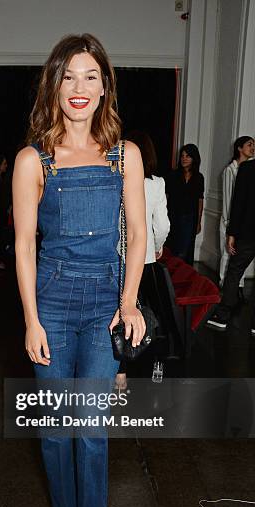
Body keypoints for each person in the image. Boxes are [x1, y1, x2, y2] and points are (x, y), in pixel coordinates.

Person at [12, 33, 146, 507]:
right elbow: (23, 245)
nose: (79, 86)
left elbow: (137, 235)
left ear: (104, 86)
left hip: (103, 307)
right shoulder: (33, 160)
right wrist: (30, 319)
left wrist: (129, 302)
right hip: (52, 304)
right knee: (54, 435)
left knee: (90, 434)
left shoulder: (123, 155)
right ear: (54, 85)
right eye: (68, 75)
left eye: (90, 75)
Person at [115, 131, 170, 390]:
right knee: (154, 315)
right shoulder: (156, 184)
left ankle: (120, 373)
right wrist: (157, 247)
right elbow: (162, 224)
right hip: (146, 258)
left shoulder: (114, 177)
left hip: (116, 257)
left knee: (118, 314)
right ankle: (157, 364)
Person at [207, 157, 255, 334]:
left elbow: (238, 202)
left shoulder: (247, 168)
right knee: (234, 272)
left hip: (247, 232)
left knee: (234, 272)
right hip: (247, 232)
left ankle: (223, 315)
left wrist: (231, 233)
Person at [219, 136, 254, 298]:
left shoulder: (247, 169)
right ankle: (226, 292)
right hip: (232, 222)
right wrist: (229, 227)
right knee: (229, 259)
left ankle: (234, 293)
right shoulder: (230, 170)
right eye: (249, 144)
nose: (253, 147)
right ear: (239, 148)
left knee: (236, 263)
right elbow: (229, 200)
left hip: (242, 225)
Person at [166, 144, 204, 265]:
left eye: (188, 156)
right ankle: (170, 278)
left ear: (194, 158)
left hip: (189, 219)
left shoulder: (199, 177)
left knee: (185, 251)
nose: (184, 158)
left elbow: (200, 200)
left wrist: (198, 221)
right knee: (173, 249)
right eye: (182, 156)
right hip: (173, 216)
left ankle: (182, 278)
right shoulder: (173, 175)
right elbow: (166, 197)